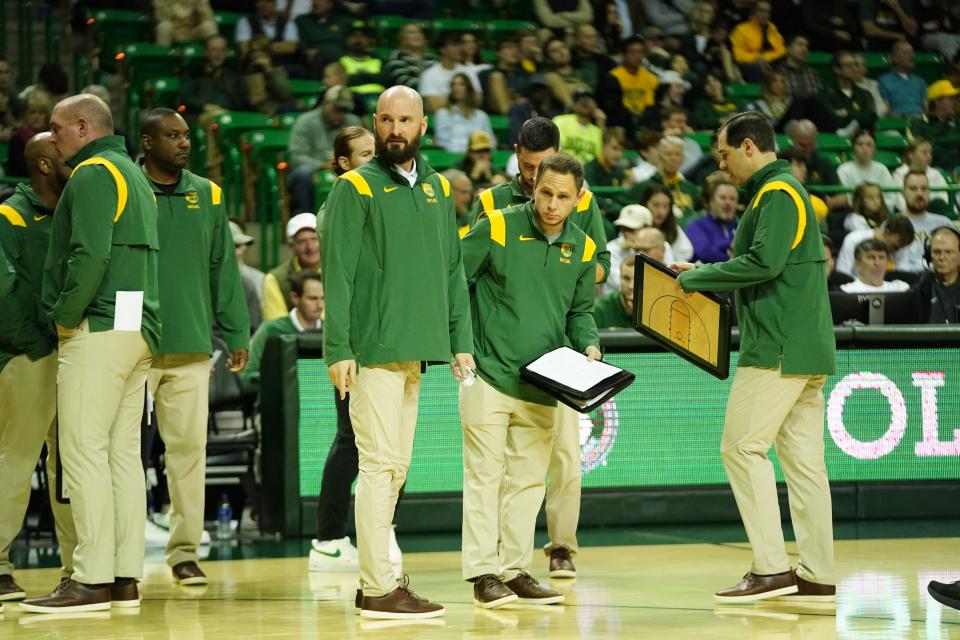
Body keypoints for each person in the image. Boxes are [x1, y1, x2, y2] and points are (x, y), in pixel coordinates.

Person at [671, 111, 836, 604]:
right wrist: (705, 270)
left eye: (723, 154)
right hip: (804, 347)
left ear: (748, 147)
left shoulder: (778, 194)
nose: (720, 165)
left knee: (741, 449)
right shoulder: (782, 191)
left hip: (778, 346)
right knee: (805, 466)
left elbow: (766, 263)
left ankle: (771, 568)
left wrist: (696, 278)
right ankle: (817, 573)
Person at [322, 85, 474, 619]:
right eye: (385, 119)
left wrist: (461, 340)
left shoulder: (435, 187)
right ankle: (378, 585)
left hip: (417, 348)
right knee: (380, 464)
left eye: (404, 120)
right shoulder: (355, 187)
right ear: (375, 122)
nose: (393, 129)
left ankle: (380, 580)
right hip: (370, 348)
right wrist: (338, 347)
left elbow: (452, 269)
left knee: (395, 468)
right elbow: (336, 272)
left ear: (422, 126)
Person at [24, 93, 159, 613]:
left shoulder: (93, 174)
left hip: (97, 327)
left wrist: (63, 314)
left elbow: (90, 253)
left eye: (57, 130)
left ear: (83, 127)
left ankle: (90, 578)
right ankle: (124, 577)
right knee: (123, 457)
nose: (52, 140)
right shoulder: (136, 176)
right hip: (138, 329)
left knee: (82, 453)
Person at [468, 116, 608, 579]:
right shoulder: (495, 217)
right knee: (487, 477)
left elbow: (582, 306)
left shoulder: (583, 238)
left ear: (575, 195)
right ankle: (486, 571)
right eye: (542, 188)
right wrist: (458, 343)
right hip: (490, 367)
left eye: (561, 195)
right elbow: (456, 275)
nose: (548, 200)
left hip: (551, 373)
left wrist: (588, 342)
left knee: (542, 473)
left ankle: (530, 562)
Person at [139, 108, 250, 586]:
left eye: (186, 136)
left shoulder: (207, 194)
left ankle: (184, 552)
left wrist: (236, 331)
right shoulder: (125, 188)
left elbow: (222, 267)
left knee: (189, 453)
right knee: (125, 455)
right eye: (172, 136)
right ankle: (121, 555)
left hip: (190, 345)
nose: (184, 144)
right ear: (147, 142)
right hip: (131, 346)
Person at [308, 124, 405, 575]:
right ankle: (328, 538)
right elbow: (341, 278)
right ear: (344, 164)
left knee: (388, 449)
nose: (375, 158)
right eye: (364, 154)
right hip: (355, 337)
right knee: (352, 440)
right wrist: (339, 346)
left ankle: (381, 528)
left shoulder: (385, 199)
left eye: (376, 151)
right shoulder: (340, 205)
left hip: (390, 335)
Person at [0, 133, 76, 604]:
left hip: (73, 354)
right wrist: (32, 345)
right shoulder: (9, 215)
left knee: (71, 468)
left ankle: (78, 568)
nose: (77, 161)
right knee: (17, 460)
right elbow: (1, 295)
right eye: (66, 155)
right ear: (45, 165)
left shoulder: (73, 212)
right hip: (29, 357)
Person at [242, 270, 322, 392]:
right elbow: (246, 377)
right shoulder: (270, 329)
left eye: (323, 298)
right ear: (295, 298)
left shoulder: (331, 331)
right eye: (313, 298)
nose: (320, 305)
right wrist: (279, 381)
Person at [286, 85, 362, 211]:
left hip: (344, 170)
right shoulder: (306, 121)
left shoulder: (353, 122)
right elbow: (296, 157)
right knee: (304, 173)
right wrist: (322, 165)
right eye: (337, 109)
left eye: (344, 110)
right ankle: (307, 221)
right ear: (326, 103)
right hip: (314, 170)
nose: (340, 114)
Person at [262, 212, 320, 321]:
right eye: (302, 241)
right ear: (291, 246)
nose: (310, 246)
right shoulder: (276, 279)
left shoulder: (338, 272)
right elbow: (277, 326)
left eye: (314, 239)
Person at [893, 171, 954, 273]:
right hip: (904, 281)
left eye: (924, 189)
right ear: (903, 193)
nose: (919, 193)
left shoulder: (944, 223)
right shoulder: (891, 225)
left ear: (929, 192)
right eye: (913, 189)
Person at [784, 119, 847, 210]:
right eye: (802, 145)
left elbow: (842, 196)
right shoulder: (783, 159)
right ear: (793, 140)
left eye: (810, 144)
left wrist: (829, 202)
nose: (807, 149)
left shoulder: (824, 162)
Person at [834, 210, 915, 278]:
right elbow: (843, 275)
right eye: (895, 247)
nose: (898, 251)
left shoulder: (900, 246)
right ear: (886, 233)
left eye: (902, 247)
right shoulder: (853, 240)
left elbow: (903, 277)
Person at [433, 73, 495, 153]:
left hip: (479, 156)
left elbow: (491, 141)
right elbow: (443, 142)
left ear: (469, 88)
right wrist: (465, 152)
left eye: (461, 84)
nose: (456, 88)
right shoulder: (443, 114)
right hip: (453, 156)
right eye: (454, 85)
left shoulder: (481, 116)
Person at [837, 131, 897, 211]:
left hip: (880, 213)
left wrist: (877, 209)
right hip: (854, 214)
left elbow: (891, 197)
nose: (864, 148)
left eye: (869, 144)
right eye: (860, 144)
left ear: (875, 148)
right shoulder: (844, 170)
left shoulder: (882, 169)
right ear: (853, 148)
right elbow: (844, 198)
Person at [419, 32, 478, 113]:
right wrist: (461, 98)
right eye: (454, 45)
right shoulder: (429, 74)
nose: (459, 48)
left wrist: (444, 102)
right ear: (442, 49)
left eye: (460, 45)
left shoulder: (468, 71)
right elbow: (433, 106)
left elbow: (477, 100)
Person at [824, 51, 879, 137]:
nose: (854, 69)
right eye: (848, 65)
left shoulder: (865, 94)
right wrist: (859, 115)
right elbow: (832, 120)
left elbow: (871, 119)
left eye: (855, 65)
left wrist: (847, 112)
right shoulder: (826, 94)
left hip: (863, 137)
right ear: (837, 69)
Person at [909, 80, 960, 173]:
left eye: (955, 98)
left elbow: (932, 145)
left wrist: (935, 141)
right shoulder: (920, 123)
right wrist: (952, 143)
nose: (954, 102)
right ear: (937, 101)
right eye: (950, 98)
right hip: (933, 168)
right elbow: (922, 148)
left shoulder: (957, 121)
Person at [686, 176, 739, 264]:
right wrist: (731, 250)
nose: (728, 203)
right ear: (710, 201)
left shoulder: (739, 224)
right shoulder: (696, 226)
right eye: (723, 197)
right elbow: (706, 253)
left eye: (732, 199)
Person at [913, 226, 960, 324]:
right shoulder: (918, 290)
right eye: (937, 252)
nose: (942, 257)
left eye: (948, 252)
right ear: (928, 256)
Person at [730, 1, 786, 82]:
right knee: (755, 68)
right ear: (754, 12)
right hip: (749, 64)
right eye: (761, 11)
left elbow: (781, 49)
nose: (765, 14)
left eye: (767, 12)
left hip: (770, 62)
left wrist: (765, 58)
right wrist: (756, 58)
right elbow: (736, 53)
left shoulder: (772, 28)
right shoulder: (741, 29)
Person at [892, 138, 951, 215]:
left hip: (935, 215)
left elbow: (944, 200)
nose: (929, 156)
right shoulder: (899, 174)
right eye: (924, 152)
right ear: (911, 155)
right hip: (910, 216)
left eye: (930, 153)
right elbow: (900, 203)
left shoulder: (936, 174)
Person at [295, 0, 352, 76]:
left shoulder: (344, 21)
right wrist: (306, 50)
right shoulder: (303, 20)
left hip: (341, 61)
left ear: (330, 4)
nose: (315, 3)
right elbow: (302, 43)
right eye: (314, 0)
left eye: (320, 0)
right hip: (316, 61)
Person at [552, 87, 604, 166]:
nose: (585, 102)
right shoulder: (560, 121)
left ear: (595, 105)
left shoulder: (598, 131)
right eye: (580, 99)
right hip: (563, 168)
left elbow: (602, 160)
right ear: (574, 104)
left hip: (589, 175)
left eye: (589, 100)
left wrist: (602, 124)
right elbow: (553, 150)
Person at [5, 91, 51, 179]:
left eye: (41, 113)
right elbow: (20, 169)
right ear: (25, 115)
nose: (36, 117)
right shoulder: (17, 139)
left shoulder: (53, 138)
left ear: (47, 116)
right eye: (32, 112)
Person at [839, 238, 911, 293]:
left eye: (881, 257)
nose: (877, 263)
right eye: (871, 257)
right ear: (857, 264)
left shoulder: (900, 289)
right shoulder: (846, 291)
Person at [878, 40, 927, 118]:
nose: (911, 56)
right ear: (894, 57)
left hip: (920, 121)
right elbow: (885, 109)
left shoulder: (920, 81)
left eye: (912, 52)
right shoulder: (884, 80)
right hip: (898, 121)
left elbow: (925, 109)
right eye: (906, 52)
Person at [232, 220, 265, 333]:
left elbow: (256, 327)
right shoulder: (201, 282)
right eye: (236, 246)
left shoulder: (259, 279)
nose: (242, 250)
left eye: (242, 245)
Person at [594, 252, 642, 329]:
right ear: (620, 278)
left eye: (637, 279)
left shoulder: (653, 310)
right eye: (626, 278)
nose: (631, 286)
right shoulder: (599, 310)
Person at [383, 23, 434, 89]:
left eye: (420, 32)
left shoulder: (432, 57)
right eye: (411, 32)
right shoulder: (396, 58)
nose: (417, 35)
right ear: (402, 38)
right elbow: (407, 84)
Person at [775, 35, 821, 102]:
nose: (804, 49)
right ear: (788, 48)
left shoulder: (812, 72)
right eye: (800, 44)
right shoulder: (777, 72)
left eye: (806, 46)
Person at [443, 169, 474, 234]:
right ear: (448, 190)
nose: (468, 198)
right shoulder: (438, 214)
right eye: (463, 192)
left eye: (469, 193)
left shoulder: (462, 212)